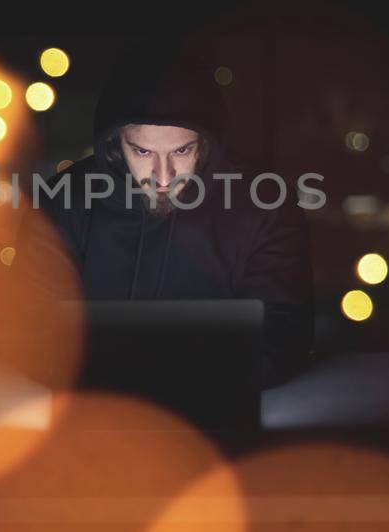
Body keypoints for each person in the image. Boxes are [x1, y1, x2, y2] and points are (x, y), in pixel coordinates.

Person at [40, 45, 314, 388]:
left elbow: (282, 342)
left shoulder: (265, 209)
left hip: (217, 426)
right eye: (142, 151)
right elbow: (33, 329)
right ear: (114, 146)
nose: (164, 175)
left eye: (182, 150)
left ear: (206, 145)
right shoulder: (64, 202)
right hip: (89, 422)